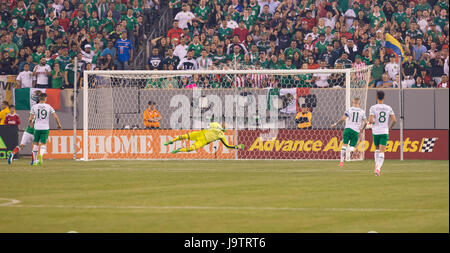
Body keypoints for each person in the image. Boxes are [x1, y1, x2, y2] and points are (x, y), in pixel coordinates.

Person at [164, 122, 245, 154]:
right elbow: (207, 126)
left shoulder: (222, 135)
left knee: (191, 149)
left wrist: (236, 147)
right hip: (201, 133)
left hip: (204, 140)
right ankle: (171, 141)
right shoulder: (216, 124)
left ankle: (179, 150)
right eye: (225, 125)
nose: (224, 125)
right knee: (185, 136)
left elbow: (227, 145)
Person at [330, 98, 367, 167]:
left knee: (344, 145)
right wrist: (362, 129)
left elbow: (342, 119)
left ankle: (341, 162)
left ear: (353, 102)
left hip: (347, 129)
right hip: (355, 131)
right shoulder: (362, 112)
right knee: (355, 144)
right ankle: (349, 150)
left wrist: (335, 124)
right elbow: (365, 122)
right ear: (359, 103)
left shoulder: (349, 109)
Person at [28, 93, 62, 166]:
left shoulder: (34, 107)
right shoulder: (48, 106)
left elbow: (30, 118)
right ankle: (41, 155)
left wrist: (30, 124)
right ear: (45, 98)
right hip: (45, 128)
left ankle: (34, 161)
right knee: (43, 144)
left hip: (37, 128)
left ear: (39, 99)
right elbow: (56, 117)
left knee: (35, 144)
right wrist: (59, 125)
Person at [369, 91, 397, 176]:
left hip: (376, 131)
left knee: (377, 149)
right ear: (384, 97)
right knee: (382, 151)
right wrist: (390, 128)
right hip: (384, 131)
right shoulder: (388, 107)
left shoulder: (373, 107)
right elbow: (394, 120)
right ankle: (378, 168)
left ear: (377, 97)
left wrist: (373, 122)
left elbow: (370, 121)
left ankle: (376, 167)